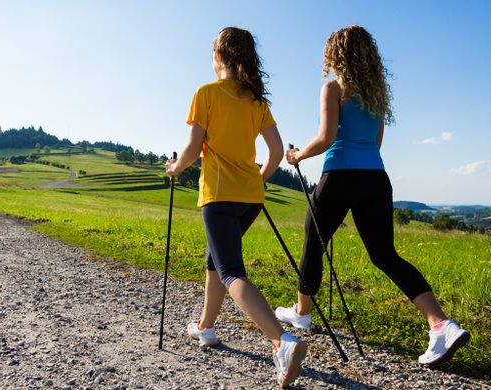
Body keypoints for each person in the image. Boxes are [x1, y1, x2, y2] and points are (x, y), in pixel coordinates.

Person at [275, 25, 470, 366]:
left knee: (312, 241)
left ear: (336, 55)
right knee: (385, 255)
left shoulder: (333, 88)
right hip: (376, 178)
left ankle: (302, 313)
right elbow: (376, 142)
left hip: (339, 175)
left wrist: (297, 156)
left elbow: (325, 137)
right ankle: (440, 324)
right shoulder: (376, 94)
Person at [165, 27, 308, 387]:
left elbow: (193, 148)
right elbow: (276, 153)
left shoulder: (206, 93)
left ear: (220, 56)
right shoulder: (258, 101)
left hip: (218, 196)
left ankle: (282, 342)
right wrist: (258, 178)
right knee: (215, 260)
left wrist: (174, 168)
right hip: (250, 197)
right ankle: (206, 327)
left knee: (231, 272)